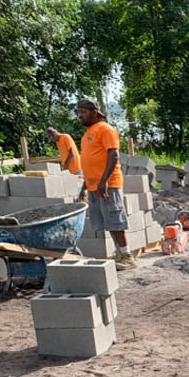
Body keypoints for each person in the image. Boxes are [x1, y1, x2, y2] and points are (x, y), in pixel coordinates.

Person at [76, 98, 135, 270]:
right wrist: (84, 187)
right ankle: (120, 253)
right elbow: (89, 162)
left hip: (109, 184)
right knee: (108, 223)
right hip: (95, 186)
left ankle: (127, 256)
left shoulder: (105, 129)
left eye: (83, 112)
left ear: (94, 113)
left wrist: (103, 181)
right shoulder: (88, 133)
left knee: (115, 221)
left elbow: (114, 156)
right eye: (78, 112)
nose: (80, 116)